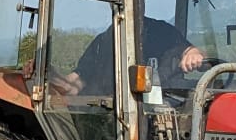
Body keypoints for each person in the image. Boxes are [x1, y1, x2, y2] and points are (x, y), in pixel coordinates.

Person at [49, 16, 206, 100]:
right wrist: (49, 76)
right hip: (112, 123)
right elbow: (74, 84)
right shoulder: (102, 43)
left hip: (163, 112)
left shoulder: (162, 32)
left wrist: (193, 54)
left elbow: (190, 51)